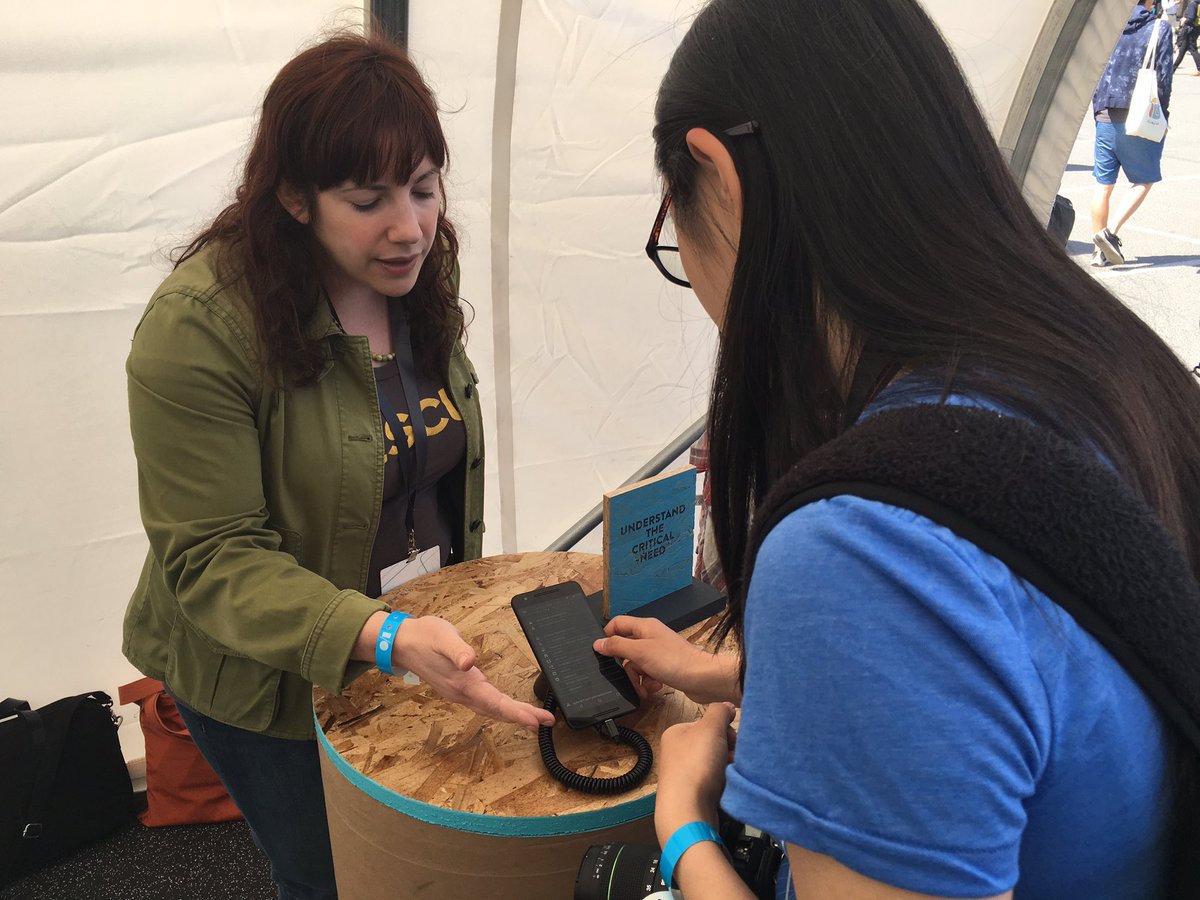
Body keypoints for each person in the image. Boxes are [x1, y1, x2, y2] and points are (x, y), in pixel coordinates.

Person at [596, 1, 1200, 898]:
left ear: (718, 178)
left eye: (673, 234)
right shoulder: (1103, 366)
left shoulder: (864, 547)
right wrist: (728, 674)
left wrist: (683, 827)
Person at [122, 31, 553, 900]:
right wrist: (383, 635)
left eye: (424, 188)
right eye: (368, 199)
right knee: (336, 874)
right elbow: (213, 559)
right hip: (264, 678)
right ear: (292, 196)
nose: (409, 227)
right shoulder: (199, 328)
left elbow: (428, 451)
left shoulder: (421, 263)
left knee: (411, 856)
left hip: (400, 635)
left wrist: (420, 618)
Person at [1090, 0, 1174, 267]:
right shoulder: (1158, 27)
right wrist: (1163, 114)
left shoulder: (1109, 26)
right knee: (1144, 179)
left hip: (1104, 109)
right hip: (1137, 114)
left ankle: (1098, 252)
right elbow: (1164, 77)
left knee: (1103, 185)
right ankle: (1109, 233)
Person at [1175, 0, 1200, 73]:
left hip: (1190, 29)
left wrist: (1184, 21)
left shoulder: (1192, 4)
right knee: (1185, 49)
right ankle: (1173, 68)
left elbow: (1191, 17)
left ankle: (1172, 68)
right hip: (1196, 28)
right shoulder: (1197, 3)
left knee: (1191, 48)